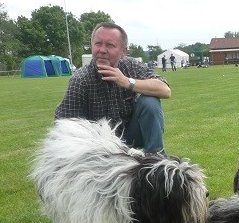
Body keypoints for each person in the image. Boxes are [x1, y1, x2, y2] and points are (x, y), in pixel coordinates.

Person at [54, 22, 170, 153]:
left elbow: (165, 90)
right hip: (97, 145)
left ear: (123, 52)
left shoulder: (131, 66)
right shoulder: (80, 80)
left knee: (149, 101)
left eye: (110, 45)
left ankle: (156, 158)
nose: (102, 50)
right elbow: (63, 125)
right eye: (98, 44)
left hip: (131, 136)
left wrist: (127, 82)